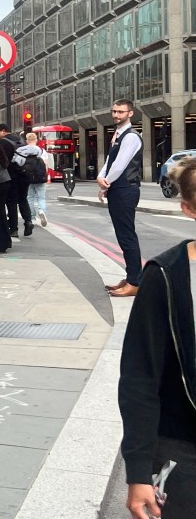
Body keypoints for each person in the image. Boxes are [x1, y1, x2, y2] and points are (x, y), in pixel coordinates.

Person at [118, 157, 196, 519]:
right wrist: (138, 472)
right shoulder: (166, 276)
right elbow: (139, 377)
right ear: (188, 209)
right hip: (183, 448)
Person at [98, 98, 144, 297]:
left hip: (126, 189)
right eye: (114, 111)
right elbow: (110, 160)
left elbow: (121, 164)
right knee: (122, 236)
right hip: (118, 189)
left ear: (130, 113)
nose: (116, 115)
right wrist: (101, 178)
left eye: (121, 112)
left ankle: (134, 282)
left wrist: (106, 181)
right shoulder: (119, 134)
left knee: (127, 237)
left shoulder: (131, 136)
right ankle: (130, 277)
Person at [0, 123, 34, 237]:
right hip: (25, 175)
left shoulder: (3, 142)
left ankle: (13, 229)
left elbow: (2, 161)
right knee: (23, 199)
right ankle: (28, 221)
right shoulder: (21, 140)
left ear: (2, 131)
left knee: (11, 202)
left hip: (12, 176)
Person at [21, 132, 51, 226]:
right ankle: (41, 211)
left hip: (28, 178)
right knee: (41, 197)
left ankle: (32, 217)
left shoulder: (23, 150)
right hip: (40, 177)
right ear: (36, 140)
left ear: (27, 141)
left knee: (30, 198)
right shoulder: (42, 151)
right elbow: (45, 165)